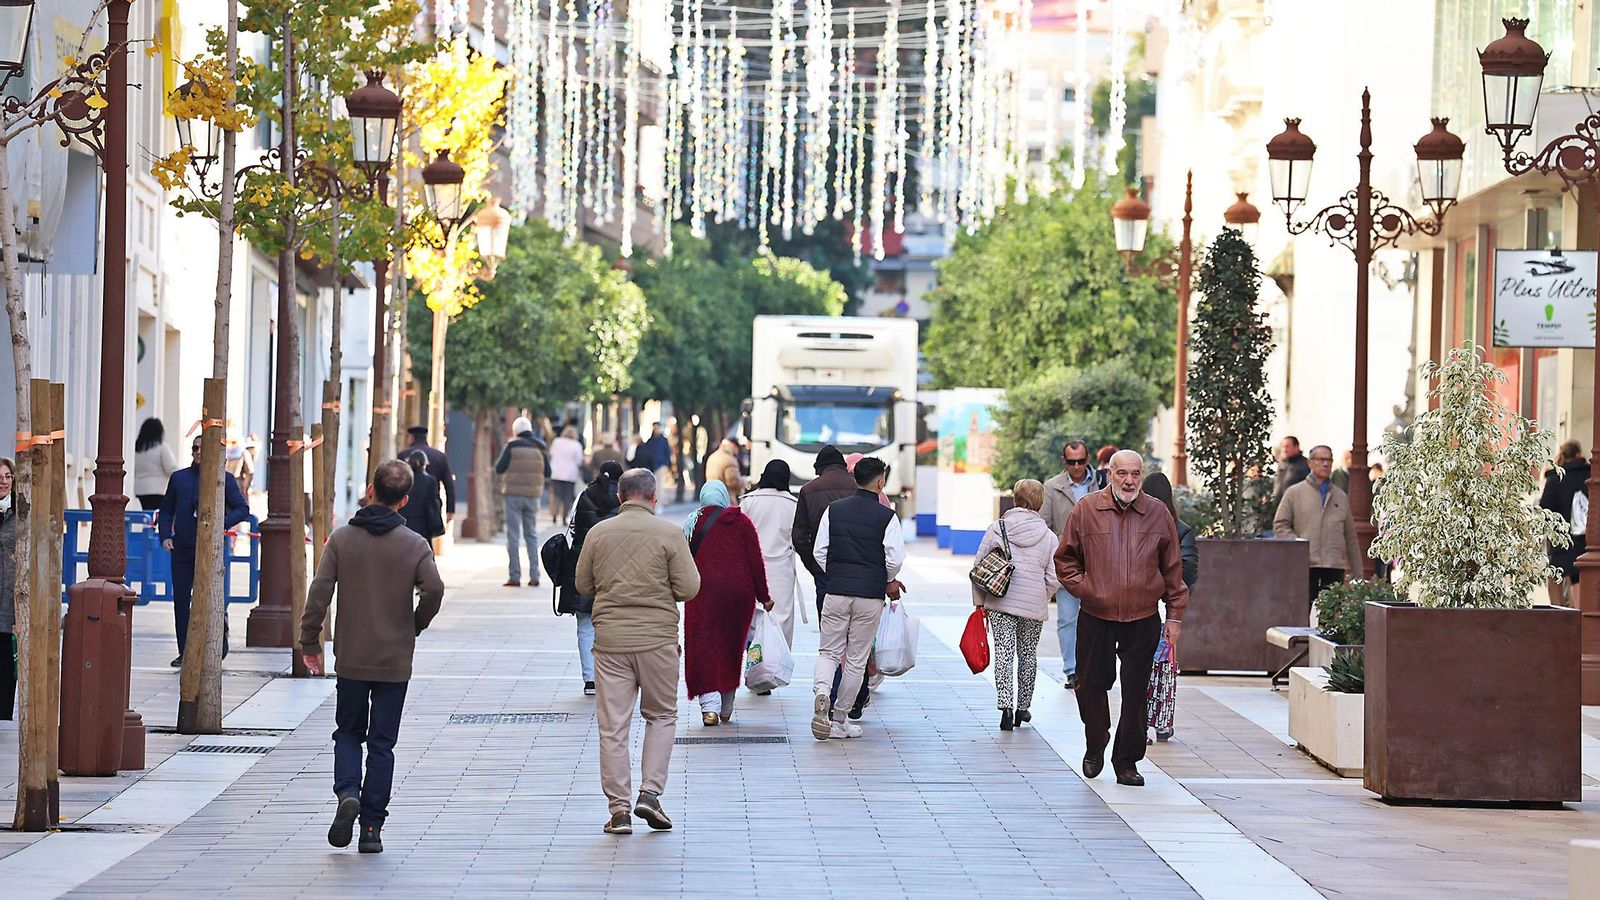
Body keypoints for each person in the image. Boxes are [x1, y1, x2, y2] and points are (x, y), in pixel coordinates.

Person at [300, 460, 445, 855]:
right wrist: (415, 623)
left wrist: (310, 642)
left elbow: (319, 593)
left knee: (348, 732)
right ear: (405, 500)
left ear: (370, 490)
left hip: (352, 656)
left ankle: (348, 790)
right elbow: (434, 589)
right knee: (382, 744)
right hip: (394, 660)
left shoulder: (342, 539)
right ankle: (371, 828)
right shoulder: (415, 544)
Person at [575, 468, 701, 835]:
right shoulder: (669, 534)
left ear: (619, 497)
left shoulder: (599, 533)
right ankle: (650, 793)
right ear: (654, 496)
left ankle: (619, 811)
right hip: (658, 641)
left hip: (611, 642)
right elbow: (689, 587)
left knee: (613, 727)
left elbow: (583, 584)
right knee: (661, 715)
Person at [1055, 450, 1188, 787]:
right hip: (1096, 615)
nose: (1129, 481)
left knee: (1136, 692)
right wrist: (1087, 588)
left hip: (1143, 617)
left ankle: (1127, 761)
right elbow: (1065, 559)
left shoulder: (1157, 513)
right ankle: (1096, 738)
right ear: (1110, 474)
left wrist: (1174, 616)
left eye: (1135, 474)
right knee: (1089, 685)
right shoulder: (1086, 510)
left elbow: (1173, 569)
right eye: (1122, 474)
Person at [810, 457, 905, 741]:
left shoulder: (834, 510)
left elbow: (819, 551)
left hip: (836, 591)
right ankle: (840, 719)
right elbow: (894, 558)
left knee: (828, 652)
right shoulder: (887, 517)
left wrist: (836, 573)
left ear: (855, 480)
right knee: (855, 658)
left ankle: (822, 692)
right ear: (880, 482)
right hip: (869, 595)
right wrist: (886, 578)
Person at [683, 481, 773, 725]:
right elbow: (756, 562)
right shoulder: (742, 522)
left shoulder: (693, 523)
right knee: (730, 647)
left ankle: (709, 708)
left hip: (702, 593)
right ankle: (726, 705)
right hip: (738, 597)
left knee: (704, 646)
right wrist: (764, 596)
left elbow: (681, 562)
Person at [158, 433, 251, 667]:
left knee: (211, 597)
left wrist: (221, 524)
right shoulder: (179, 478)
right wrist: (165, 535)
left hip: (211, 549)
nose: (198, 452)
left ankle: (217, 642)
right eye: (194, 448)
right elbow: (166, 509)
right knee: (181, 601)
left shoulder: (224, 479)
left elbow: (242, 509)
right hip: (182, 547)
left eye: (202, 448)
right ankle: (185, 652)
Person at [972, 479, 1058, 731]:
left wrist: (980, 602)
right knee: (1028, 655)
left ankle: (1006, 709)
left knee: (1004, 653)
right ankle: (1023, 707)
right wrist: (1041, 596)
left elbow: (979, 566)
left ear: (1015, 499)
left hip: (1000, 601)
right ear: (1039, 503)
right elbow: (1054, 576)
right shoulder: (1049, 537)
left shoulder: (997, 528)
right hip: (1033, 606)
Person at [559, 460, 626, 697]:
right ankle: (610, 676)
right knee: (613, 623)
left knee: (585, 624)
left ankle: (590, 679)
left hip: (583, 564)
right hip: (615, 566)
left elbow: (572, 527)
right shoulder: (624, 499)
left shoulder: (583, 495)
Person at [1273, 444, 1363, 606]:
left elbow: (1350, 537)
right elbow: (1280, 524)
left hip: (1334, 565)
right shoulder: (1294, 493)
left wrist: (1358, 575)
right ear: (1310, 463)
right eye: (1321, 459)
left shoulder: (1340, 496)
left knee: (1332, 614)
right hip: (1305, 564)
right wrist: (1298, 543)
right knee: (1301, 611)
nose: (1326, 464)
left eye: (1329, 460)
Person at [1042, 440, 1096, 690]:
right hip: (1068, 564)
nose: (1076, 466)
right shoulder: (1052, 487)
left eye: (1081, 461)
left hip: (1099, 563)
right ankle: (1072, 670)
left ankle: (1092, 668)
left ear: (1088, 460)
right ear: (1064, 462)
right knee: (1067, 618)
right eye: (1071, 462)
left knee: (1098, 620)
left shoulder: (1102, 484)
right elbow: (1044, 525)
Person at [740, 460, 801, 647]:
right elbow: (797, 538)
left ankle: (755, 659)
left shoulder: (749, 501)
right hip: (782, 568)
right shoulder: (793, 504)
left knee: (753, 618)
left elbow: (740, 536)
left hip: (751, 568)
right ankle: (779, 660)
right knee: (782, 619)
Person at [793, 445, 859, 617]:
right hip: (857, 566)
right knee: (856, 623)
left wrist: (813, 563)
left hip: (824, 567)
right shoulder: (859, 487)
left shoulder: (808, 490)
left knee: (828, 621)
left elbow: (799, 536)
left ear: (820, 468)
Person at [494, 416, 551, 588]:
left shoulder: (511, 446)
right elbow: (548, 472)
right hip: (533, 495)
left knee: (513, 535)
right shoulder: (541, 447)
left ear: (516, 431)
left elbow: (499, 468)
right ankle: (534, 575)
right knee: (531, 535)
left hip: (512, 495)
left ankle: (515, 576)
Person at [1540, 440, 1589, 604]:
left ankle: (1558, 613)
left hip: (1560, 539)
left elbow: (1545, 510)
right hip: (1585, 538)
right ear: (1578, 455)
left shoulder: (1554, 478)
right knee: (1579, 578)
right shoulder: (1590, 474)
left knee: (1555, 575)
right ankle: (1580, 613)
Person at [405, 425, 456, 523]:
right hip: (432, 507)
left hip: (408, 506)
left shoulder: (403, 455)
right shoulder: (439, 456)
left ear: (412, 438)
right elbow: (449, 484)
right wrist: (450, 509)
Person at [134, 417, 180, 511]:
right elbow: (171, 468)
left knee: (145, 515)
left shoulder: (136, 447)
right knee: (157, 516)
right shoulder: (162, 447)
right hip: (158, 490)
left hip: (139, 489)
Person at [399, 451, 445, 542]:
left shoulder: (403, 480)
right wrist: (437, 525)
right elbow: (433, 505)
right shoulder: (430, 481)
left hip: (403, 524)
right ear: (424, 465)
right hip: (422, 526)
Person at [0, 459, 15, 720]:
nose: (3, 481)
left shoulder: (20, 511)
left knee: (4, 654)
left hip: (10, 592)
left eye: (7, 476)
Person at [549, 425, 585, 526]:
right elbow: (579, 460)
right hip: (570, 474)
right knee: (567, 496)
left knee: (556, 495)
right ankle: (564, 517)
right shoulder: (576, 445)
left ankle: (554, 514)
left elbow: (551, 453)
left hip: (556, 473)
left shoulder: (556, 442)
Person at [1273, 436, 1311, 508]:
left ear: (1296, 447)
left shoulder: (1306, 465)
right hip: (1278, 507)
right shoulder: (1281, 465)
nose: (1284, 450)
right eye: (1283, 447)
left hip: (1297, 507)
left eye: (1287, 447)